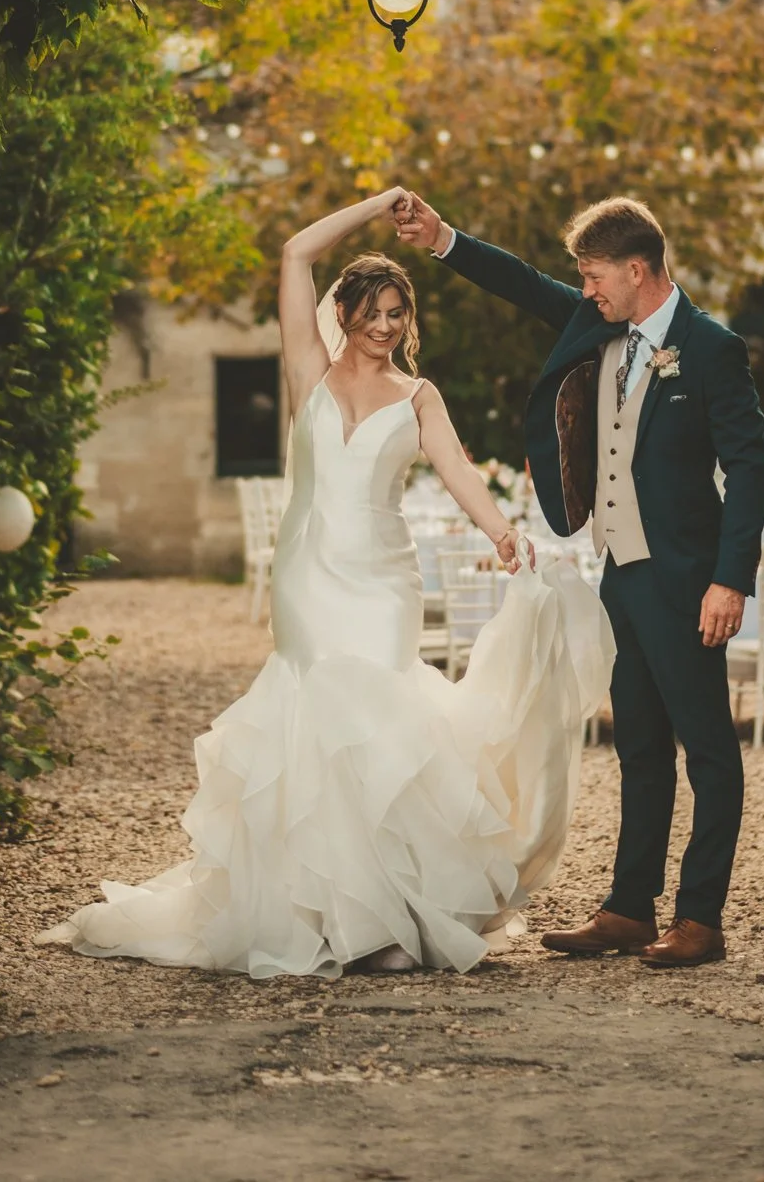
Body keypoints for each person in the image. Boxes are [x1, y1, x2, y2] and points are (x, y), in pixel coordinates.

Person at [40, 187, 613, 979]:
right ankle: (317, 911)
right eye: (371, 312)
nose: (384, 327)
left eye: (397, 315)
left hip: (384, 582)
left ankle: (383, 913)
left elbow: (456, 473)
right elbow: (295, 254)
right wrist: (377, 204)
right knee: (310, 719)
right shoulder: (306, 372)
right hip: (308, 576)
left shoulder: (419, 397)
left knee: (378, 725)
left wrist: (503, 532)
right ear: (341, 314)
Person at [393, 191, 764, 968]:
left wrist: (730, 580)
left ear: (639, 269)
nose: (588, 290)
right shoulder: (602, 326)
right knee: (636, 744)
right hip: (620, 580)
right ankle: (631, 909)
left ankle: (700, 918)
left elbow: (750, 468)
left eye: (597, 276)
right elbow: (526, 283)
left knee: (706, 749)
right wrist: (443, 240)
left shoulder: (709, 348)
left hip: (687, 580)